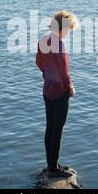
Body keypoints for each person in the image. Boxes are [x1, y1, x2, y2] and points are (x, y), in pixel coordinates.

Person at [36, 10, 79, 178]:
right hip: (60, 91)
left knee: (50, 127)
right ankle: (54, 170)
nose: (69, 32)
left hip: (47, 89)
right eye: (69, 29)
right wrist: (70, 88)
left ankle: (51, 164)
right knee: (58, 129)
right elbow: (64, 72)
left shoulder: (43, 40)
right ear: (63, 28)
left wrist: (48, 76)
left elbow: (38, 62)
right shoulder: (59, 44)